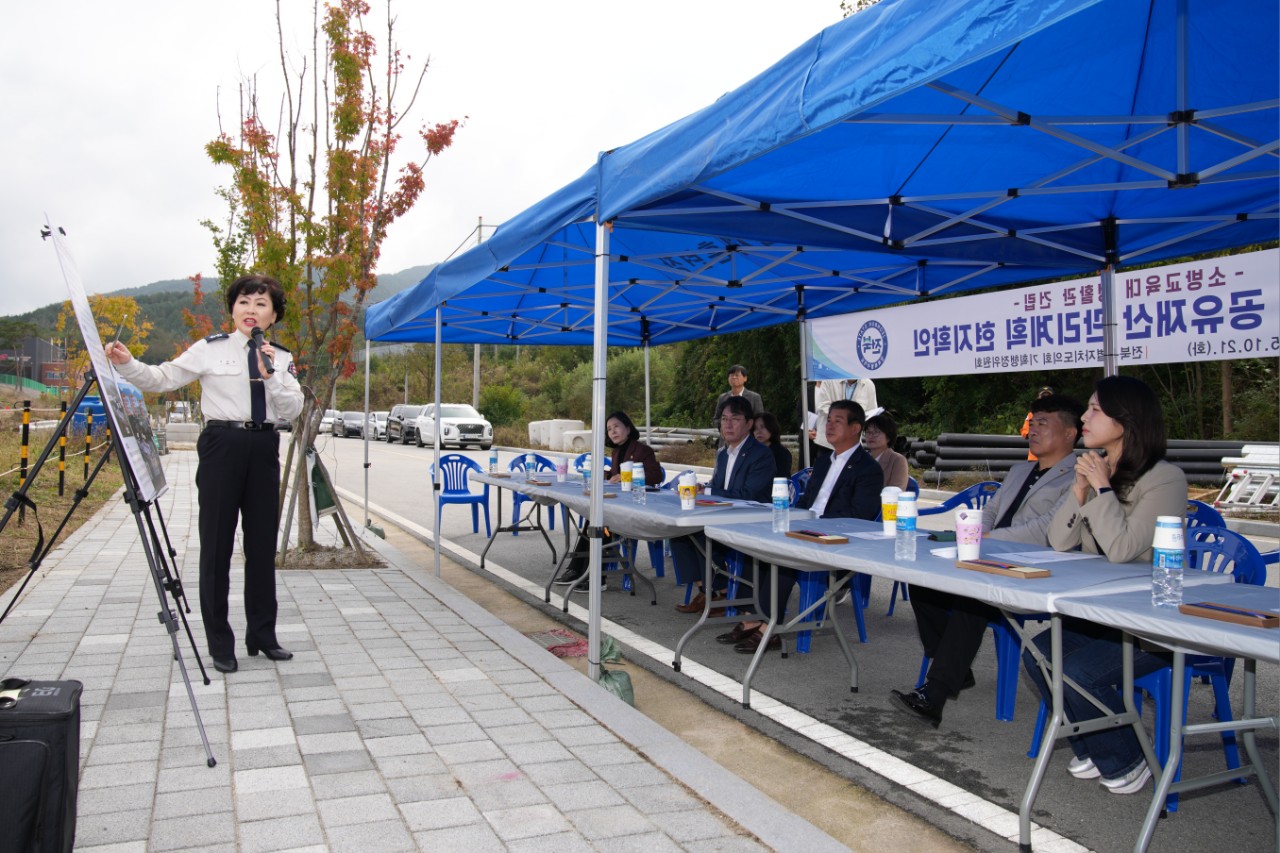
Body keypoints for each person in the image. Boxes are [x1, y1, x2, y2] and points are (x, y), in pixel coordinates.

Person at [105, 274, 304, 675]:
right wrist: (128, 364)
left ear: (274, 315)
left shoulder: (280, 358)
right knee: (216, 544)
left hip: (264, 448)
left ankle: (263, 635)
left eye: (261, 304)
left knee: (262, 546)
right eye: (244, 302)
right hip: (221, 446)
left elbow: (292, 409)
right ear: (233, 309)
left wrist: (271, 378)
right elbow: (163, 378)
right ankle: (220, 643)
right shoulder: (210, 348)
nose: (251, 310)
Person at [1022, 376, 1187, 794]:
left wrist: (1100, 487)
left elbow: (1122, 549)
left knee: (1076, 671)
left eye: (1095, 409)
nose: (1084, 417)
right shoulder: (1097, 471)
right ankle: (1095, 744)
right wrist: (1080, 491)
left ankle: (1128, 758)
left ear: (1126, 420)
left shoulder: (1164, 479)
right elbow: (1060, 542)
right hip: (1103, 614)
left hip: (1150, 622)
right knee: (1040, 654)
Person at [889, 393, 1084, 728]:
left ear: (1069, 433)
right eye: (1032, 423)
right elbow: (990, 511)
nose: (1033, 430)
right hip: (989, 556)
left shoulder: (1079, 477)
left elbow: (1046, 531)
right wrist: (977, 534)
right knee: (923, 582)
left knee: (973, 599)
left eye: (1043, 423)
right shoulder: (1021, 469)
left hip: (1035, 568)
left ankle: (934, 695)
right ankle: (958, 669)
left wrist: (987, 539)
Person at [717, 400, 882, 653]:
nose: (829, 426)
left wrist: (811, 521)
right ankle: (751, 616)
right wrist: (793, 516)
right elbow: (807, 501)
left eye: (837, 421)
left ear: (855, 428)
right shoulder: (824, 461)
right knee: (757, 545)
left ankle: (770, 627)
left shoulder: (869, 469)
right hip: (807, 529)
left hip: (836, 539)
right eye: (828, 420)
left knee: (784, 556)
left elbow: (859, 516)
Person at [671, 395, 774, 614]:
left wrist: (708, 491)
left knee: (702, 533)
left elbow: (748, 495)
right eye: (724, 419)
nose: (727, 424)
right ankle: (708, 590)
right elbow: (719, 487)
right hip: (723, 515)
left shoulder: (761, 455)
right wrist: (703, 487)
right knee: (678, 530)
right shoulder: (723, 454)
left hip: (751, 519)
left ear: (749, 423)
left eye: (734, 419)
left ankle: (722, 592)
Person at [554, 411, 663, 589]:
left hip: (637, 505)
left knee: (601, 521)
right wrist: (604, 474)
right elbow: (615, 475)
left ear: (628, 428)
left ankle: (597, 577)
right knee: (594, 518)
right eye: (609, 429)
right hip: (618, 502)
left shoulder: (643, 450)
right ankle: (577, 569)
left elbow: (656, 476)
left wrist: (629, 476)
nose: (613, 431)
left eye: (616, 426)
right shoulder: (616, 451)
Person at [811, 377, 876, 453]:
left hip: (853, 443)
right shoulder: (829, 380)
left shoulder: (869, 384)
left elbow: (872, 412)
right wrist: (844, 417)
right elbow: (822, 405)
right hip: (828, 444)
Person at [861, 411, 908, 491]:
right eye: (868, 432)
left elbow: (896, 491)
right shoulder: (862, 460)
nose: (871, 436)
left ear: (888, 437)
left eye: (876, 432)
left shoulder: (897, 460)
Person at [752, 411, 792, 478]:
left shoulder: (781, 453)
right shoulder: (750, 452)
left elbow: (781, 477)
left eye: (763, 427)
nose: (758, 431)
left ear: (772, 428)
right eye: (755, 428)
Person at [1020, 386, 1055, 460]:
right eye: (1043, 397)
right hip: (1035, 457)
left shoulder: (1059, 414)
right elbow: (1025, 432)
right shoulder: (1032, 414)